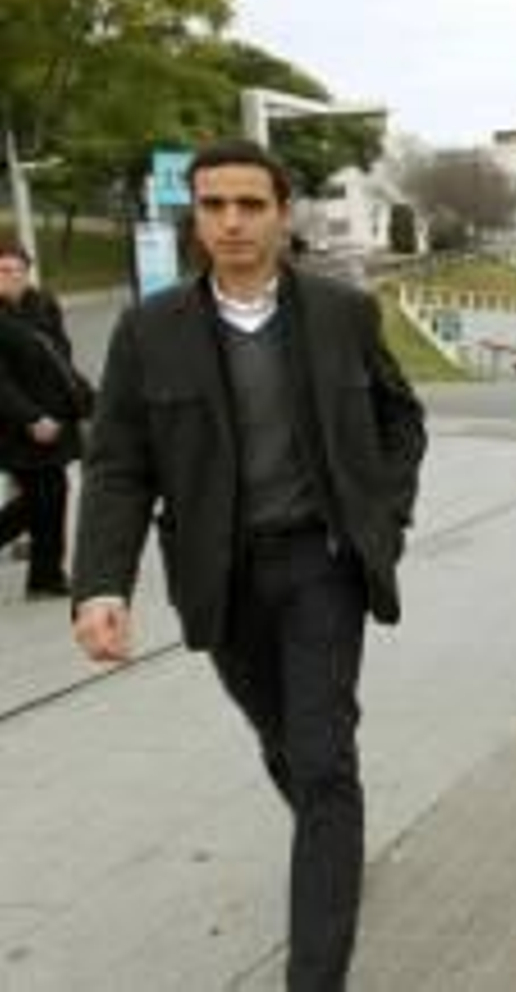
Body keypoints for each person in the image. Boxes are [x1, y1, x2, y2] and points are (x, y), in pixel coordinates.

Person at [71, 138, 427, 991]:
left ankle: (315, 968)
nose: (231, 222)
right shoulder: (151, 330)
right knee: (284, 740)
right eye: (213, 205)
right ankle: (332, 839)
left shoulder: (342, 314)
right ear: (194, 216)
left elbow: (400, 420)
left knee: (324, 756)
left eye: (250, 205)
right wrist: (101, 585)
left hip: (322, 568)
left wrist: (382, 519)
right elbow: (118, 465)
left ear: (282, 214)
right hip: (221, 578)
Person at [0, 243, 87, 599]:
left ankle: (45, 576)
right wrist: (30, 418)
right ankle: (46, 576)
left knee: (50, 495)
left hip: (54, 417)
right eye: (2, 270)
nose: (9, 277)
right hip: (13, 425)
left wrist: (86, 398)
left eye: (16, 269)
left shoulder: (43, 304)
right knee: (42, 497)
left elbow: (61, 359)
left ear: (27, 272)